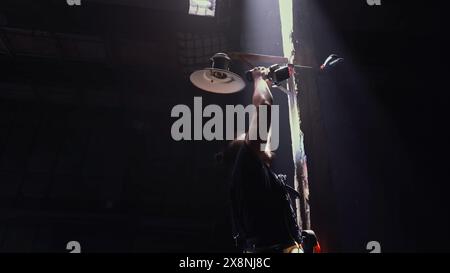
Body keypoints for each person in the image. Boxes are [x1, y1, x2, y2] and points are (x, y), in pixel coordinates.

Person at [223, 67, 303, 253]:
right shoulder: (245, 165)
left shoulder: (250, 178)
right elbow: (264, 109)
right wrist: (258, 77)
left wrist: (265, 85)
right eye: (249, 138)